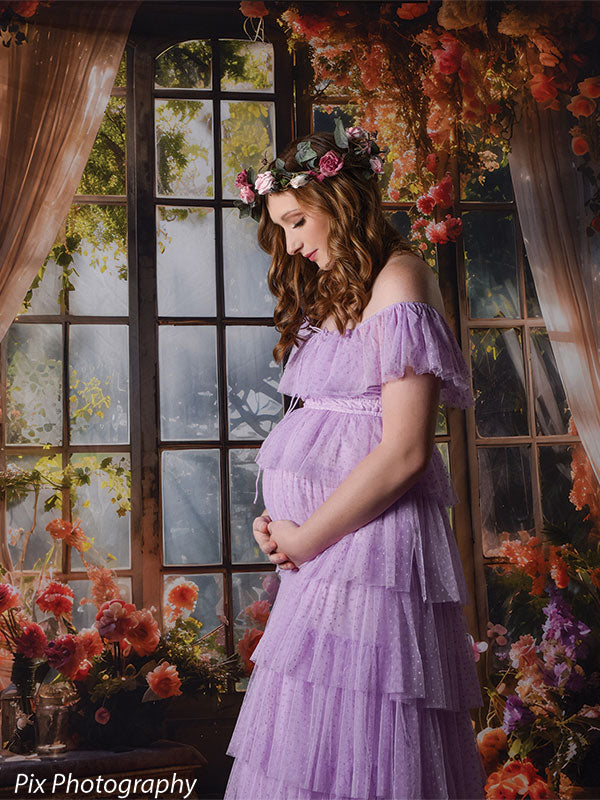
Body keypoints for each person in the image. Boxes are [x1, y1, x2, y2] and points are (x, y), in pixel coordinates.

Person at [223, 122, 487, 800]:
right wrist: (281, 524)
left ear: (338, 200)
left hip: (371, 557)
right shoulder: (344, 288)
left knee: (369, 743)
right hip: (328, 556)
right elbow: (328, 432)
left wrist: (305, 536)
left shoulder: (400, 279)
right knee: (314, 749)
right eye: (280, 227)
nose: (290, 242)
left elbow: (403, 451)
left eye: (296, 220)